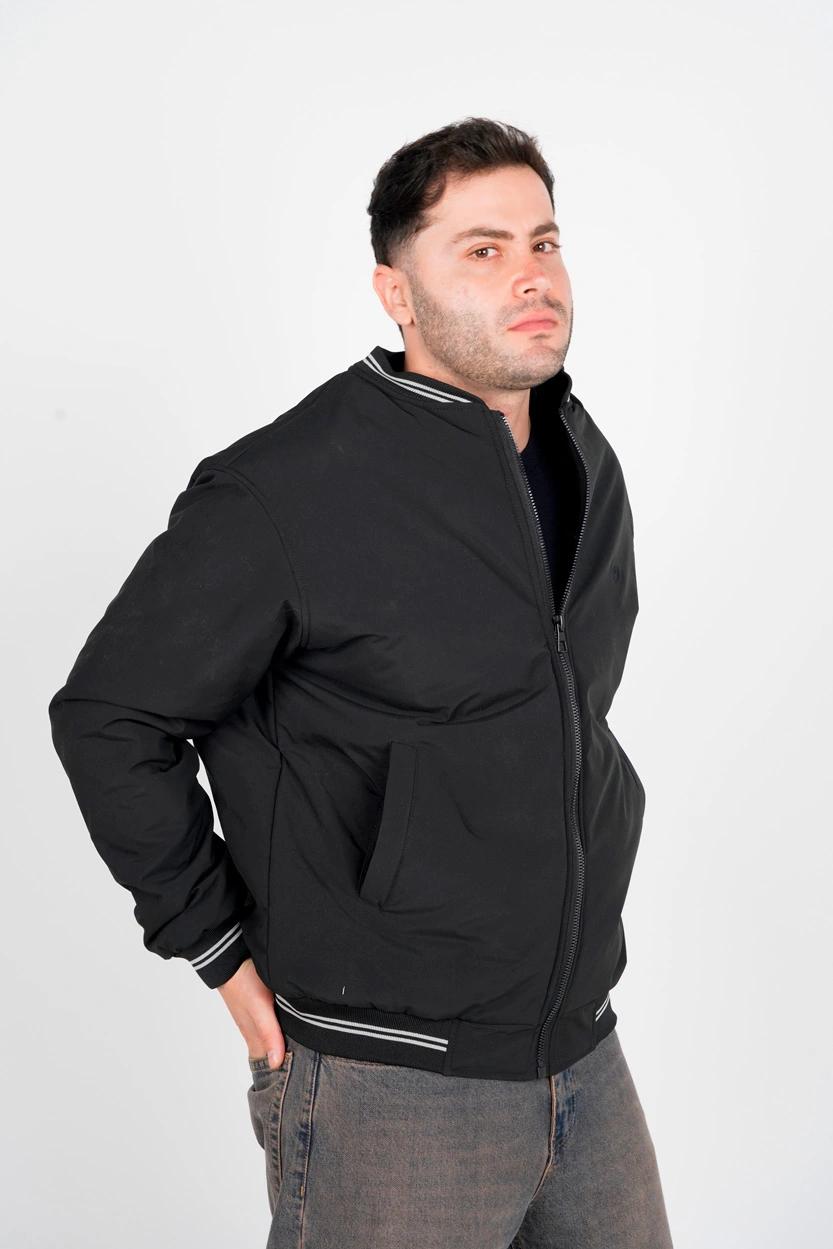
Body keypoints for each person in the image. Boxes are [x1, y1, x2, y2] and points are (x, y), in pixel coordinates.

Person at [48, 116, 674, 1247]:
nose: (529, 274)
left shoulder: (583, 461)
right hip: (386, 1084)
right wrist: (218, 953)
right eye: (481, 249)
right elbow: (109, 716)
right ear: (396, 292)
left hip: (582, 1051)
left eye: (542, 241)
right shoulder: (284, 490)